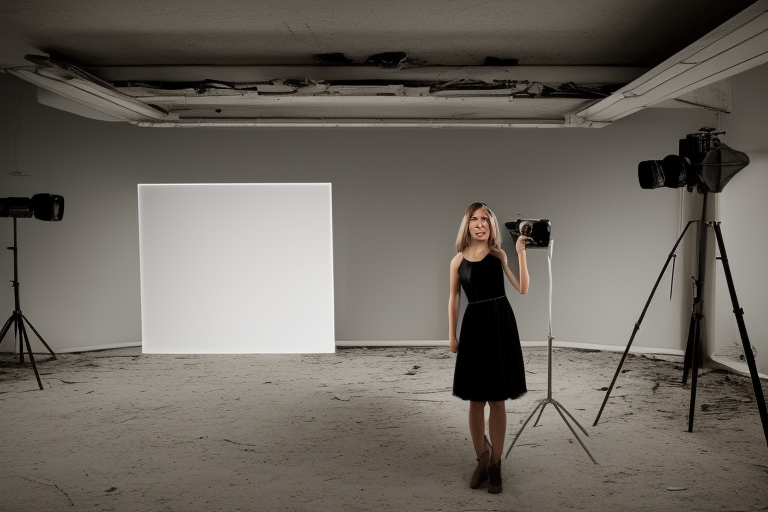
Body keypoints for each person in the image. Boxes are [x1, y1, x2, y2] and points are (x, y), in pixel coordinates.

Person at [448, 202, 529, 494]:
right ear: (467, 225)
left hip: (499, 326)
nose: (480, 224)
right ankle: (481, 458)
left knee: (497, 399)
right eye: (474, 219)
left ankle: (495, 464)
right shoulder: (457, 261)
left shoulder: (498, 255)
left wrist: (519, 254)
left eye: (485, 219)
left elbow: (522, 289)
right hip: (473, 328)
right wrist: (452, 336)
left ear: (491, 225)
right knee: (475, 400)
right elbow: (454, 300)